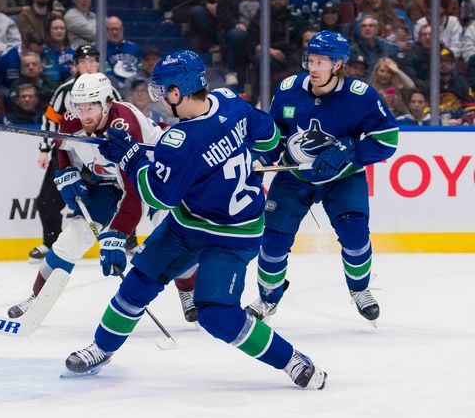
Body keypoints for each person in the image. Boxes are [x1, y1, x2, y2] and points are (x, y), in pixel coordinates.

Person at [64, 50, 327, 390]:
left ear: (177, 92)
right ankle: (102, 349)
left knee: (217, 315)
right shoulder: (229, 100)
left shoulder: (180, 140)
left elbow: (158, 196)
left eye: (161, 91)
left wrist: (129, 157)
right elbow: (269, 139)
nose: (158, 98)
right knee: (137, 285)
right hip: (191, 223)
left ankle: (291, 359)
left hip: (232, 236)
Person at [246, 31, 399, 327]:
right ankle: (268, 297)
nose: (313, 68)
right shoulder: (289, 89)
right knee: (273, 242)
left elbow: (388, 139)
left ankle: (360, 289)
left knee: (355, 236)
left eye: (321, 62)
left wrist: (350, 150)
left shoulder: (360, 95)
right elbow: (274, 133)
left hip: (343, 178)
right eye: (310, 60)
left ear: (338, 64)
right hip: (294, 176)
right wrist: (261, 159)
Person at [6, 72, 163, 320]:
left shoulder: (125, 127)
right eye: (79, 107)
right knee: (74, 237)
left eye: (90, 107)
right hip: (108, 179)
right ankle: (36, 297)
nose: (84, 114)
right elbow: (63, 147)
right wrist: (67, 171)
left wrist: (118, 234)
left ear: (107, 104)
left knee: (166, 234)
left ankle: (190, 294)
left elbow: (135, 191)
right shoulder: (72, 120)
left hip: (152, 177)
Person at [28, 44, 120, 262]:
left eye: (92, 61)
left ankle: (128, 241)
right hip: (67, 153)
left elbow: (120, 119)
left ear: (98, 63)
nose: (88, 66)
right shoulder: (64, 91)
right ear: (75, 66)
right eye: (83, 62)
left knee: (119, 196)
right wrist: (44, 148)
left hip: (100, 154)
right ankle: (50, 243)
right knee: (46, 201)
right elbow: (50, 120)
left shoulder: (109, 91)